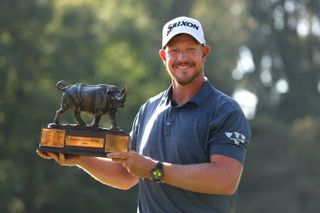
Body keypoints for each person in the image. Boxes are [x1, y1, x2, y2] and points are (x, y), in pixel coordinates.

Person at [37, 16, 251, 213]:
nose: (182, 58)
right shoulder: (149, 108)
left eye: (190, 49)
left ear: (204, 53)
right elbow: (127, 175)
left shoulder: (225, 111)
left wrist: (154, 170)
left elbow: (225, 180)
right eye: (174, 50)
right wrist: (80, 158)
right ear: (163, 56)